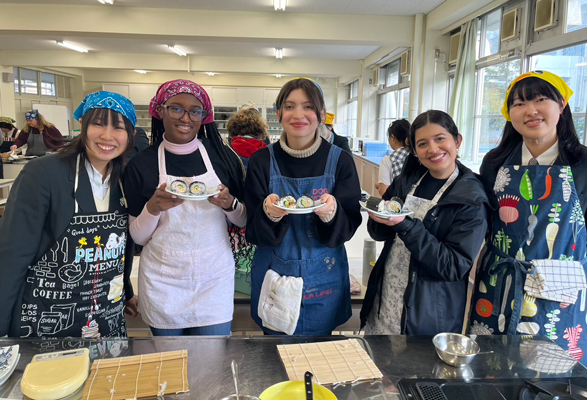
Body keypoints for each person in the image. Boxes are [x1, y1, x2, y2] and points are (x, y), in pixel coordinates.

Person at [469, 70, 587, 373]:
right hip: (500, 283)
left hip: (562, 293)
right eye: (519, 103)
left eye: (541, 100)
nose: (530, 111)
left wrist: (579, 284)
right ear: (509, 113)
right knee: (492, 370)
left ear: (561, 105)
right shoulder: (495, 161)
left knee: (556, 376)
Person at [0, 91, 139, 338]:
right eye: (98, 124)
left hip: (106, 317)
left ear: (131, 136)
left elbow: (120, 248)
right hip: (47, 318)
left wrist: (126, 291)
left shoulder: (126, 178)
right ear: (82, 126)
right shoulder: (43, 174)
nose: (107, 136)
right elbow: (12, 256)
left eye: (118, 128)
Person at [123, 79, 246, 337]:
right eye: (176, 108)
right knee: (171, 365)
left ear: (204, 116)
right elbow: (138, 236)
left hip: (214, 277)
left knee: (211, 363)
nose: (186, 118)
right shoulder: (141, 164)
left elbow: (244, 220)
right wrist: (153, 208)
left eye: (195, 110)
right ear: (160, 110)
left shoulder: (223, 157)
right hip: (163, 280)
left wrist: (230, 204)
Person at [245, 78, 362, 336]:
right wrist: (268, 215)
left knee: (320, 363)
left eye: (308, 107)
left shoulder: (341, 161)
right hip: (274, 278)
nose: (298, 115)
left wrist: (332, 215)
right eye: (289, 106)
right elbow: (251, 231)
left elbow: (350, 225)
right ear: (278, 113)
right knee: (275, 361)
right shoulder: (261, 161)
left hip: (325, 279)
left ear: (321, 114)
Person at [360, 110, 492, 335]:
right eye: (423, 143)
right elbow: (379, 233)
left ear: (457, 140)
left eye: (440, 139)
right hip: (386, 297)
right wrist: (380, 218)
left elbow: (453, 266)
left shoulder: (471, 198)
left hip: (427, 312)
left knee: (414, 368)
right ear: (414, 150)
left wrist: (405, 225)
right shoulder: (409, 179)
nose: (432, 149)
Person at [377, 119, 411, 196]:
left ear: (392, 137)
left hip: (396, 205)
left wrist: (379, 186)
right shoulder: (418, 155)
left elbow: (384, 192)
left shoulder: (389, 160)